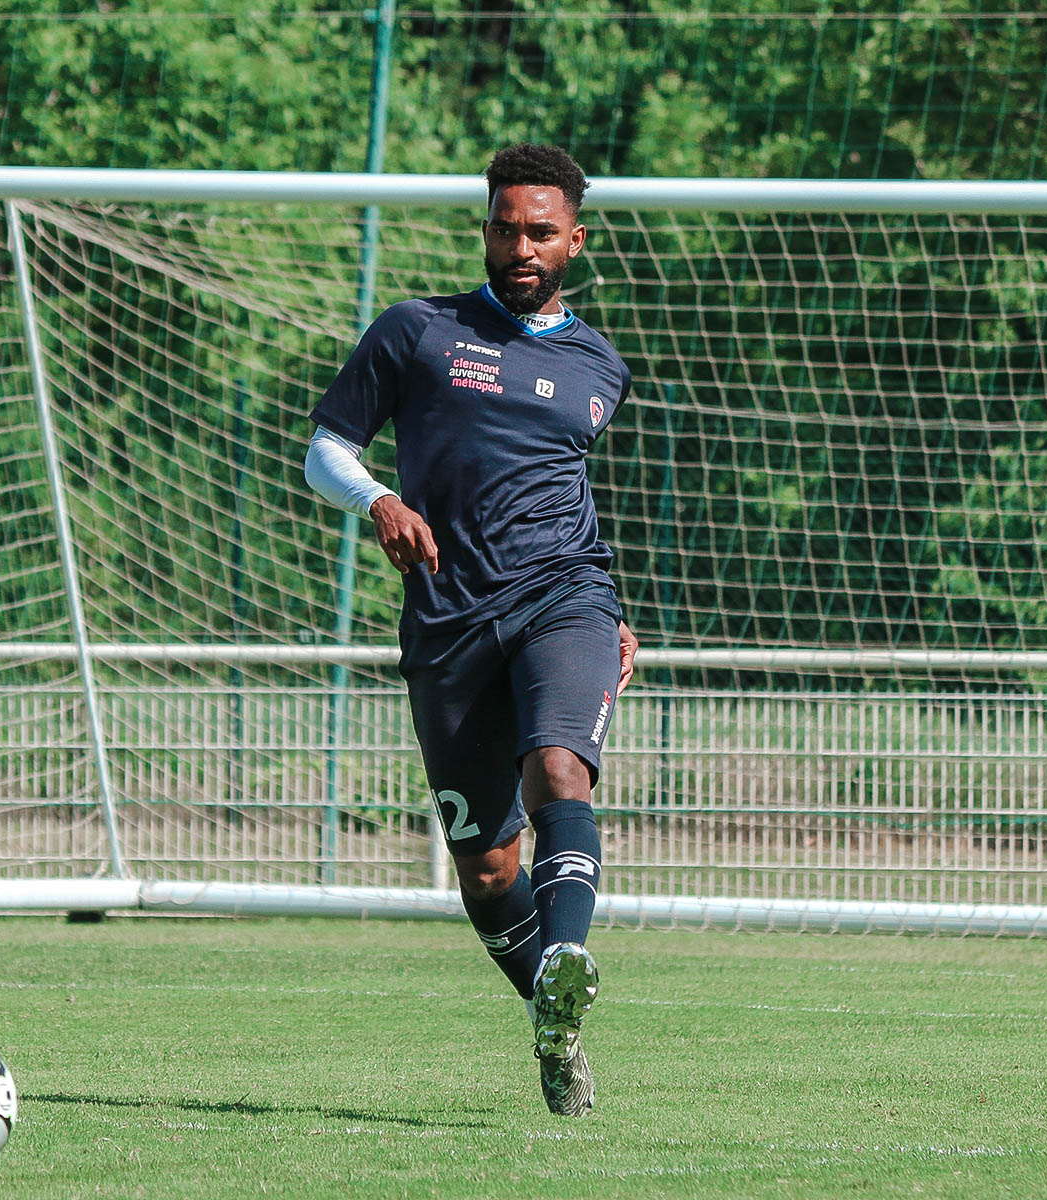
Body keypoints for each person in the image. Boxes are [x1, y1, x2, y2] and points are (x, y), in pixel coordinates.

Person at [304, 143, 638, 1117]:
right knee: (490, 872)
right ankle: (551, 1016)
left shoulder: (600, 367)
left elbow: (560, 491)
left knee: (559, 772)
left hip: (564, 599)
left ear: (575, 241)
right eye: (504, 228)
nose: (520, 246)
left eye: (540, 232)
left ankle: (567, 953)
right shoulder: (417, 331)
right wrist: (376, 501)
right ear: (484, 231)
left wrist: (611, 612)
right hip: (449, 620)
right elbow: (325, 450)